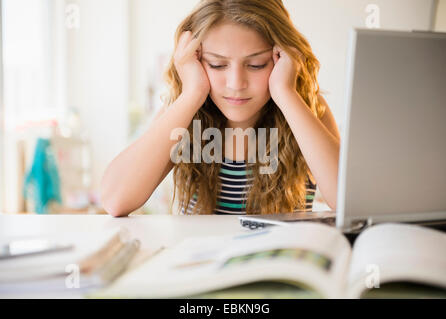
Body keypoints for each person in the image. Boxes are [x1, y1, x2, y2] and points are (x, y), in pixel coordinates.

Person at [100, 0, 340, 217]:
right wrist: (192, 92)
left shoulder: (307, 109)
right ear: (195, 60)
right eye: (217, 64)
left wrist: (285, 93)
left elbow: (346, 202)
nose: (236, 84)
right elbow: (115, 200)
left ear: (282, 58)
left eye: (256, 64)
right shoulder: (182, 113)